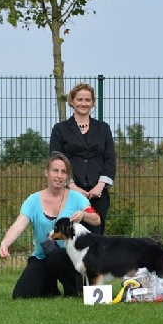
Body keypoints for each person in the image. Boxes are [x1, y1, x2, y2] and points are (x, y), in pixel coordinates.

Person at [0, 151, 100, 298]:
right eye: (55, 171)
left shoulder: (77, 198)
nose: (59, 176)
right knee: (21, 294)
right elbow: (18, 225)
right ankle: (50, 289)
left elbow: (96, 219)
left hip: (69, 258)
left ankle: (75, 291)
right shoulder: (33, 200)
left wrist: (84, 215)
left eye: (63, 172)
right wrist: (5, 243)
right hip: (42, 257)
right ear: (46, 172)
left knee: (57, 256)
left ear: (67, 176)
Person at [50, 83, 115, 235]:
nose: (83, 103)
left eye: (87, 100)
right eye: (79, 99)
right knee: (67, 237)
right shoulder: (60, 129)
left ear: (93, 103)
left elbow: (110, 159)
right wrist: (72, 186)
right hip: (68, 192)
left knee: (96, 240)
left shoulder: (103, 128)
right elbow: (56, 159)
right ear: (71, 101)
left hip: (98, 194)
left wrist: (100, 186)